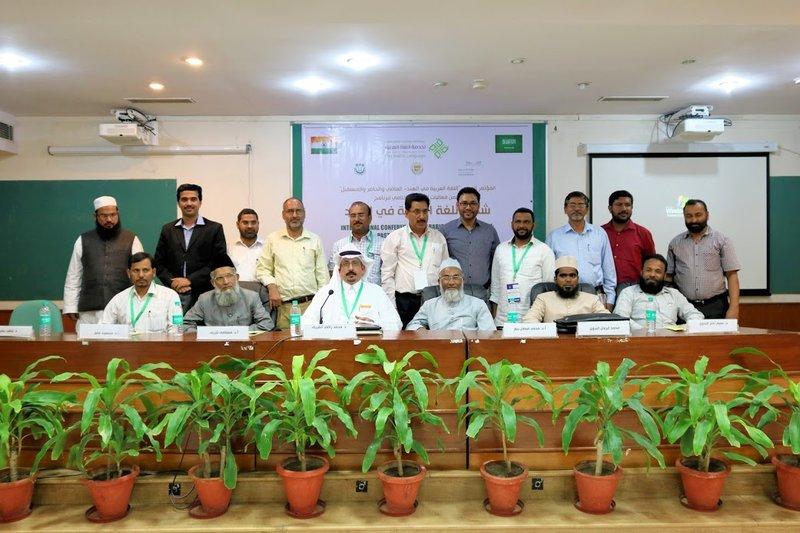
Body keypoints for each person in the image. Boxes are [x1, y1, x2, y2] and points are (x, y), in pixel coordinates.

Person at [63, 196, 144, 325]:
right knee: (88, 338)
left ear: (118, 214)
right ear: (95, 216)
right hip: (90, 312)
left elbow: (142, 274)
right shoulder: (83, 240)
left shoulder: (132, 239)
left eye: (113, 215)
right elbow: (73, 275)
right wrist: (70, 306)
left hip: (123, 308)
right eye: (104, 216)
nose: (109, 219)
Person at [255, 197, 329, 329]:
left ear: (304, 214)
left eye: (298, 211)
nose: (294, 215)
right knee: (285, 342)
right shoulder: (272, 239)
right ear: (283, 215)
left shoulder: (315, 240)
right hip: (284, 308)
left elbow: (322, 276)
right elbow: (262, 269)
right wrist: (272, 287)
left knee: (311, 342)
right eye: (290, 211)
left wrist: (321, 305)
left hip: (311, 306)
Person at [154, 183, 227, 312]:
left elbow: (218, 262)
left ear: (200, 202)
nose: (189, 203)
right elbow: (159, 263)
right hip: (173, 294)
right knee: (175, 325)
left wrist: (190, 280)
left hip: (205, 294)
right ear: (178, 203)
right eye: (184, 199)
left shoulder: (214, 229)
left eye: (193, 199)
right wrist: (173, 282)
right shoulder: (168, 230)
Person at [381, 192, 449, 327]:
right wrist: (391, 307)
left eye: (425, 211)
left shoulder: (438, 237)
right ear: (406, 213)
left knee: (434, 337)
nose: (422, 216)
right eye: (416, 212)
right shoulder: (395, 237)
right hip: (405, 302)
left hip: (433, 299)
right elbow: (387, 275)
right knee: (406, 339)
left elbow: (445, 271)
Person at [666, 199, 741, 319]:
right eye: (689, 216)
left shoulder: (722, 240)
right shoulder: (675, 243)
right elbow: (668, 278)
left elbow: (732, 275)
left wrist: (734, 307)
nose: (694, 220)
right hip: (684, 307)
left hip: (716, 306)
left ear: (707, 215)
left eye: (698, 215)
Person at [303, 246, 401, 330]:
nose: (350, 268)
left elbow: (396, 324)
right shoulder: (326, 293)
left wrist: (375, 324)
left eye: (355, 263)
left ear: (363, 269)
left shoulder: (376, 292)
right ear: (339, 270)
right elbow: (305, 323)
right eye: (346, 263)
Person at [546, 191, 616, 308]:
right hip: (565, 295)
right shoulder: (554, 237)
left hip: (596, 295)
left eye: (581, 205)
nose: (577, 209)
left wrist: (610, 299)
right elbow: (549, 272)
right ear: (565, 209)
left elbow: (608, 268)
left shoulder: (599, 234)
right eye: (572, 205)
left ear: (587, 209)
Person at [490, 207, 555, 325]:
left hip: (531, 319)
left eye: (526, 222)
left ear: (533, 225)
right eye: (518, 222)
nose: (522, 225)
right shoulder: (501, 249)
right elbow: (495, 287)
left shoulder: (544, 251)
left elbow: (548, 288)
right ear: (512, 224)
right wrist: (495, 316)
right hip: (503, 319)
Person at [183, 255, 274, 332]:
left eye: (229, 276)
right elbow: (186, 324)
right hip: (214, 344)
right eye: (220, 278)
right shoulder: (204, 299)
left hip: (244, 343)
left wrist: (238, 333)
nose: (226, 282)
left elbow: (266, 324)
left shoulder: (251, 297)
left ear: (237, 278)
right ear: (213, 283)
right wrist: (205, 334)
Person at [440, 186, 500, 302]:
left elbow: (496, 262)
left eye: (473, 203)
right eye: (464, 203)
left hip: (483, 293)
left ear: (479, 206)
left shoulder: (489, 230)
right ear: (457, 205)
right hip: (455, 293)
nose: (468, 207)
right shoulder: (446, 230)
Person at [614, 254, 704, 329]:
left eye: (658, 271)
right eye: (648, 270)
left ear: (665, 276)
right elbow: (621, 319)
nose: (652, 275)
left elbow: (694, 314)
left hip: (672, 340)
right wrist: (645, 332)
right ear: (641, 272)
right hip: (640, 340)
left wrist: (684, 328)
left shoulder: (674, 294)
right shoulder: (628, 293)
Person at [101, 252, 182, 333]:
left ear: (154, 272)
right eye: (136, 270)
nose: (141, 275)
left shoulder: (170, 296)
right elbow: (103, 328)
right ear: (129, 273)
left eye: (145, 270)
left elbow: (176, 331)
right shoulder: (119, 299)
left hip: (159, 341)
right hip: (128, 341)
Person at [406, 259, 495, 331]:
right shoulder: (429, 305)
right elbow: (412, 325)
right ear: (439, 282)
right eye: (446, 278)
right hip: (438, 346)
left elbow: (488, 333)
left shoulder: (478, 304)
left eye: (456, 277)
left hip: (469, 346)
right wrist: (422, 331)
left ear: (463, 281)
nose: (451, 282)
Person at [523, 256, 609, 323]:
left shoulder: (592, 299)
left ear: (578, 279)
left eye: (572, 275)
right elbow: (529, 320)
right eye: (563, 276)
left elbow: (607, 320)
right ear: (555, 279)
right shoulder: (543, 298)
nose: (568, 280)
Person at [601, 190, 656, 289]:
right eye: (619, 205)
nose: (624, 209)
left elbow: (651, 263)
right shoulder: (600, 232)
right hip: (604, 289)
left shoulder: (643, 233)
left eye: (627, 205)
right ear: (610, 208)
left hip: (634, 289)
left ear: (632, 207)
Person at [327, 201, 384, 285]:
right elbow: (333, 273)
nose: (357, 219)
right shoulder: (339, 245)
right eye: (353, 215)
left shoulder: (383, 243)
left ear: (370, 218)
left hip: (373, 292)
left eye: (361, 215)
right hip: (346, 292)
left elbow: (387, 275)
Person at [228, 208, 263, 282]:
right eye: (245, 222)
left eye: (253, 222)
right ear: (237, 224)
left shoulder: (267, 247)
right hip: (236, 288)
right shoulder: (228, 248)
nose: (249, 226)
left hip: (261, 288)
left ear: (258, 224)